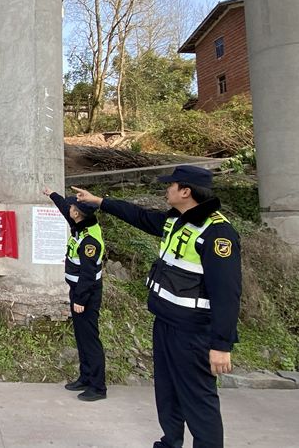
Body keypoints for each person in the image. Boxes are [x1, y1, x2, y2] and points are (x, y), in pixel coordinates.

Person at [72, 165, 241, 448]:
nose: (166, 189)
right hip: (165, 322)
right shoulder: (177, 220)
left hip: (193, 331)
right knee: (167, 391)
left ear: (185, 191)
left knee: (198, 399)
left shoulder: (217, 233)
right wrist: (99, 201)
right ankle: (170, 442)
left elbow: (227, 292)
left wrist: (221, 345)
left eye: (170, 185)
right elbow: (138, 216)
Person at [43, 183, 107, 402]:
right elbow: (64, 207)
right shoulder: (81, 224)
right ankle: (85, 376)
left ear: (77, 213)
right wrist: (52, 194)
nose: (69, 207)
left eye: (73, 206)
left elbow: (89, 274)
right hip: (78, 292)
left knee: (90, 339)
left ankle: (98, 386)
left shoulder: (90, 240)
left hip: (86, 295)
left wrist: (80, 298)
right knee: (81, 337)